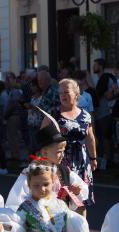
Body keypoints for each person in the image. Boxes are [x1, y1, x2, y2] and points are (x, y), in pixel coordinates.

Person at [6, 122, 88, 214]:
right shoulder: (32, 172)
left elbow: (72, 205)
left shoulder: (64, 171)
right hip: (37, 221)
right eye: (58, 152)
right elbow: (16, 201)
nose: (62, 155)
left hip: (60, 221)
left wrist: (76, 192)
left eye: (63, 151)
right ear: (45, 153)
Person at [41, 78, 97, 211]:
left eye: (66, 92)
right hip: (61, 160)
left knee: (80, 201)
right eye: (60, 93)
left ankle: (81, 229)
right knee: (62, 200)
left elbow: (90, 138)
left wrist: (93, 158)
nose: (62, 96)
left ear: (76, 94)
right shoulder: (54, 113)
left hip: (82, 162)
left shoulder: (85, 115)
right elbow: (42, 137)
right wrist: (44, 158)